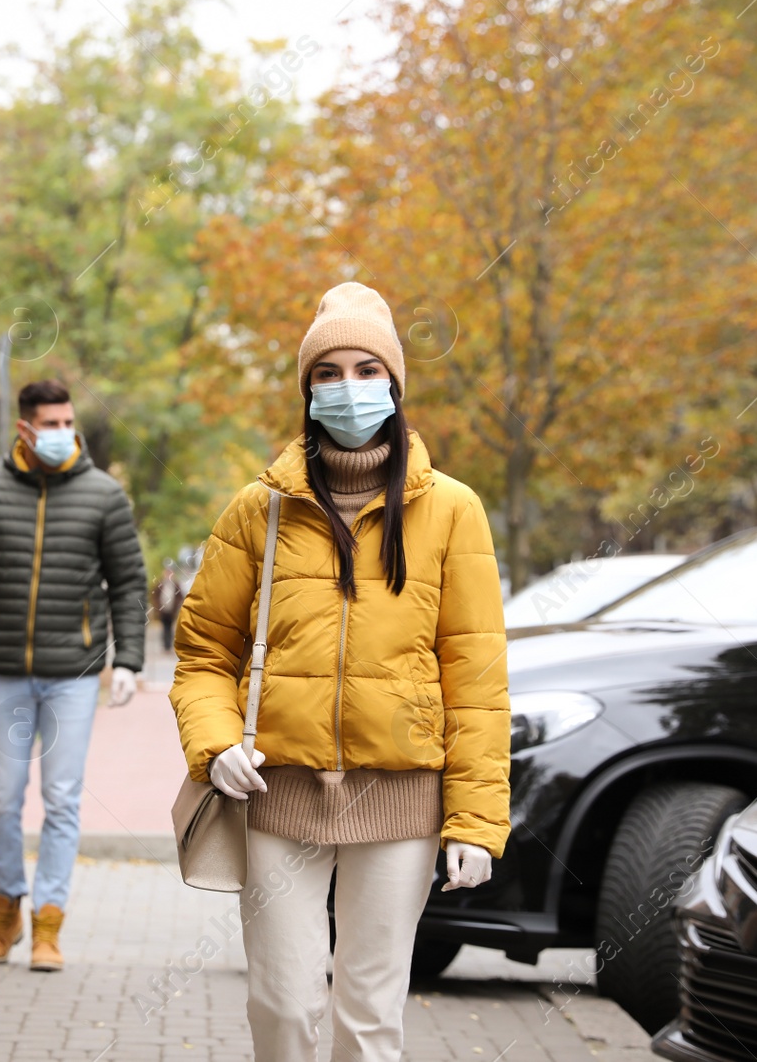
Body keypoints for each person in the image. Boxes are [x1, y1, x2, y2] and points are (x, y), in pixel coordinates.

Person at [170, 283, 511, 1062]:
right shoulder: (260, 510)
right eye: (328, 372)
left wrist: (476, 821)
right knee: (282, 1006)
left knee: (369, 1015)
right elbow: (203, 654)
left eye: (366, 369)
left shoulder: (453, 510)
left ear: (394, 384)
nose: (348, 388)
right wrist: (215, 742)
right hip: (276, 791)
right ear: (307, 389)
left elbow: (478, 680)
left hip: (403, 798)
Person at [0, 378, 148, 972]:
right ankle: (3, 911)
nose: (61, 434)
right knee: (2, 800)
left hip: (73, 674)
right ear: (25, 429)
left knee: (61, 799)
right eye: (49, 425)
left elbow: (129, 582)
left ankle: (48, 922)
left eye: (67, 424)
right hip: (3, 669)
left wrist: (128, 659)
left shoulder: (104, 494)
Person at [151, 560, 185, 652]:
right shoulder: (160, 583)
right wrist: (157, 605)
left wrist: (177, 605)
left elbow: (180, 596)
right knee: (164, 627)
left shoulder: (176, 584)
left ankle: (169, 645)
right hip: (162, 610)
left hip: (171, 610)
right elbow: (154, 595)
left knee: (169, 627)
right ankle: (165, 644)